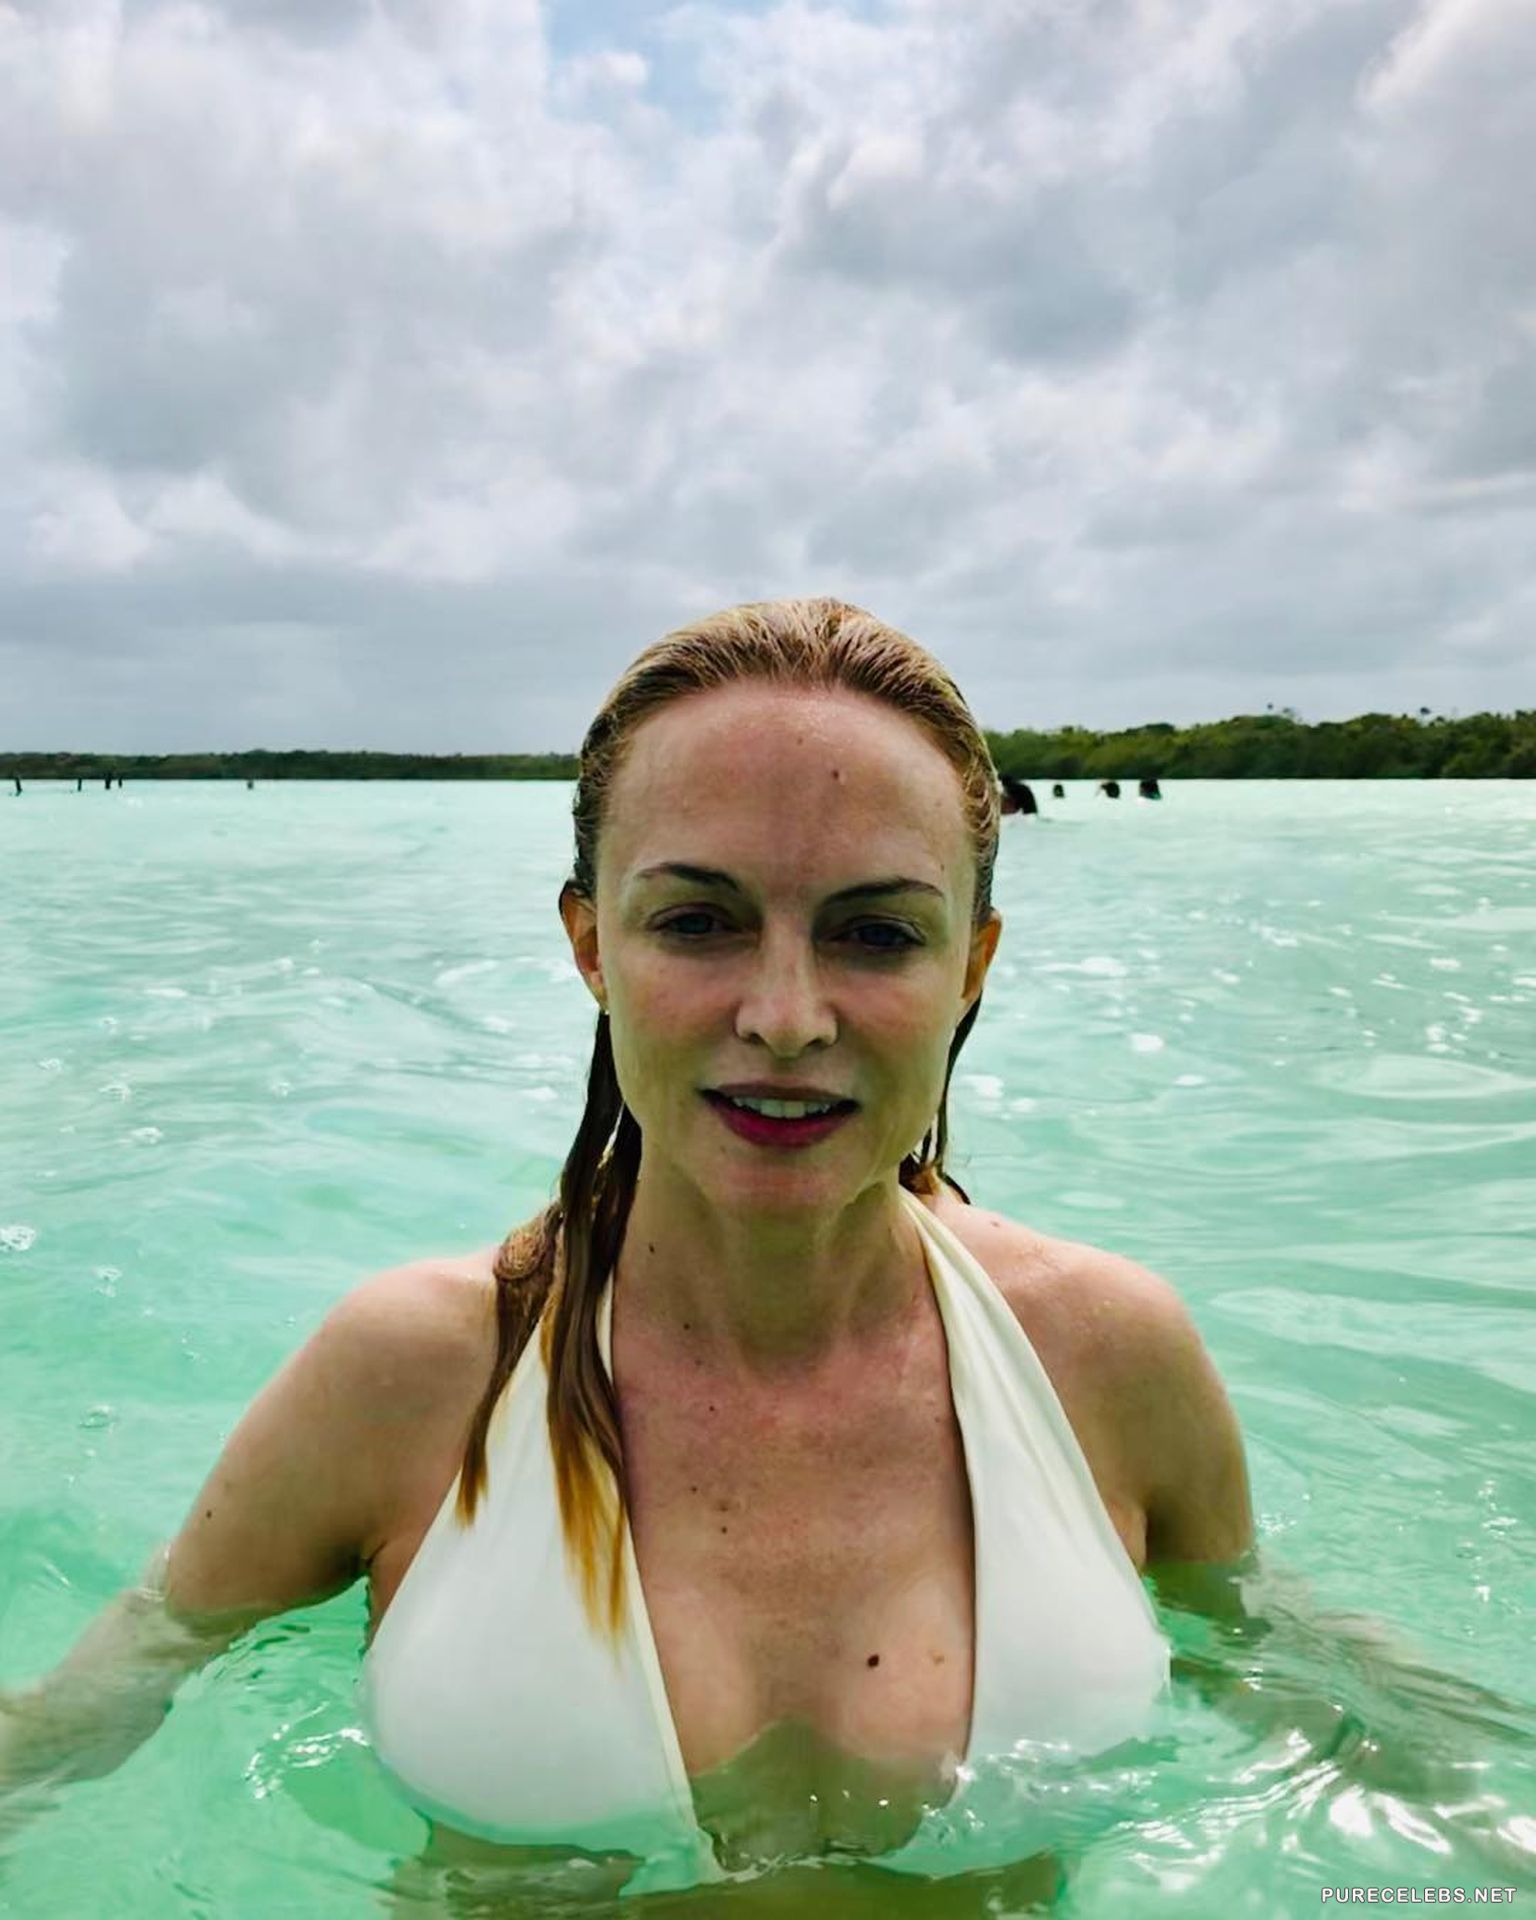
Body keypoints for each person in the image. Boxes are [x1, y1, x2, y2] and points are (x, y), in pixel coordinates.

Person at [0, 596, 1362, 1901]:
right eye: (698, 922)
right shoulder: (416, 1372)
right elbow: (91, 1712)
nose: (785, 1017)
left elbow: (1314, 1690)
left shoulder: (1106, 1355)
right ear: (591, 943)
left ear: (973, 964)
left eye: (876, 933)